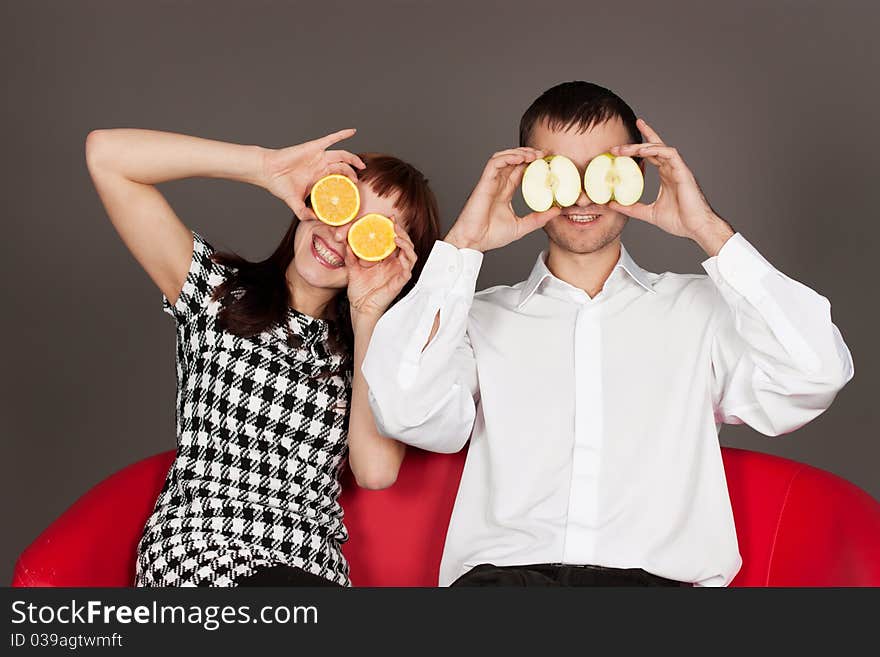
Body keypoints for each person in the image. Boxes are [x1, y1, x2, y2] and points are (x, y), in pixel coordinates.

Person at [362, 81, 854, 587]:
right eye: (557, 172)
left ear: (635, 177)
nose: (579, 193)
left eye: (600, 170)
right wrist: (463, 247)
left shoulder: (700, 311)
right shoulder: (476, 318)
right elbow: (405, 410)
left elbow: (816, 374)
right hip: (502, 587)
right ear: (526, 179)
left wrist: (708, 230)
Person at [85, 127, 440, 586]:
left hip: (309, 573)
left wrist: (370, 309)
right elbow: (108, 156)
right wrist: (264, 168)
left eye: (369, 234)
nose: (339, 234)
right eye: (342, 204)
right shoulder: (217, 295)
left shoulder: (370, 356)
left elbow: (374, 472)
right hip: (203, 558)